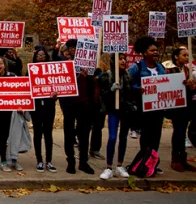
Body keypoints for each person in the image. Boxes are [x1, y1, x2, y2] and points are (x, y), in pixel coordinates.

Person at [128, 36, 166, 175]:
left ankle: (153, 163)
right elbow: (127, 82)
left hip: (159, 108)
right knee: (146, 137)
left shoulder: (161, 67)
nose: (156, 53)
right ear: (145, 53)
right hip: (144, 108)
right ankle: (143, 162)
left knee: (156, 137)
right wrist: (138, 88)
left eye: (156, 50)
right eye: (152, 50)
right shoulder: (137, 67)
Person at [58, 39, 95, 175]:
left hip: (84, 104)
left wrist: (88, 77)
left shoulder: (89, 65)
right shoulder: (64, 65)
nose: (73, 50)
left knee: (84, 135)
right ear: (68, 50)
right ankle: (71, 162)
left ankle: (83, 162)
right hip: (69, 104)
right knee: (69, 134)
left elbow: (94, 83)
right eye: (71, 48)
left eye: (76, 47)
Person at [99, 54, 134, 180]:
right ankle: (108, 167)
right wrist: (111, 90)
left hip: (125, 111)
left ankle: (120, 165)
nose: (123, 61)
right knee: (112, 138)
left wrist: (132, 104)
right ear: (113, 61)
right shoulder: (106, 76)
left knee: (123, 137)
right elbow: (102, 96)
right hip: (113, 110)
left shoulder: (128, 76)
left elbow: (131, 93)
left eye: (124, 58)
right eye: (120, 58)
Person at [166, 47, 196, 172]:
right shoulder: (170, 70)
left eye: (188, 55)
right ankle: (175, 159)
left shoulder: (188, 70)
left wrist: (192, 86)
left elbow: (192, 90)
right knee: (178, 131)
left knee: (183, 131)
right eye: (184, 55)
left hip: (186, 105)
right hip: (175, 106)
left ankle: (183, 159)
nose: (187, 57)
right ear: (177, 56)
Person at [31, 47, 58, 173]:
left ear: (47, 57)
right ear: (35, 58)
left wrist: (55, 95)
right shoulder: (30, 71)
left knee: (48, 134)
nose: (41, 57)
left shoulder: (53, 73)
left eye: (43, 55)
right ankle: (39, 161)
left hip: (49, 106)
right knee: (37, 134)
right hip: (36, 108)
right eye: (38, 55)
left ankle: (49, 161)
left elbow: (59, 87)